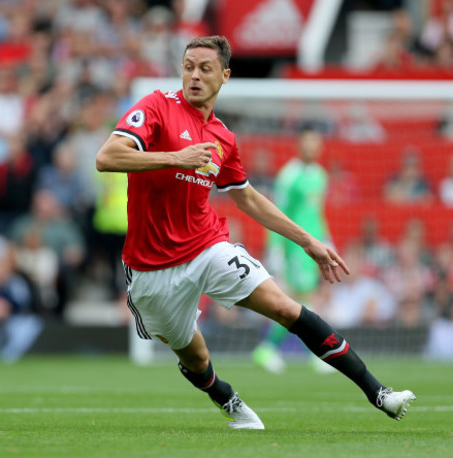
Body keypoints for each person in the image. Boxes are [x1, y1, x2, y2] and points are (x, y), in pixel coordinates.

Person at [95, 35, 415, 430]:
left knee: (285, 307)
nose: (194, 76)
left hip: (207, 246)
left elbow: (248, 198)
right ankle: (226, 398)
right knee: (194, 357)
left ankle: (380, 393)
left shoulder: (223, 138)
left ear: (224, 76)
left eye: (205, 68)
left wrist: (309, 241)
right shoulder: (157, 106)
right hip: (152, 267)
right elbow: (106, 157)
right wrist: (176, 157)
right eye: (188, 66)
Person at [252, 124, 333, 374]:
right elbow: (276, 214)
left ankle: (270, 349)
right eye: (307, 141)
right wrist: (275, 249)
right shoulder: (289, 176)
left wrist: (327, 239)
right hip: (296, 248)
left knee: (303, 300)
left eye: (315, 142)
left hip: (314, 247)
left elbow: (316, 213)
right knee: (304, 299)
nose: (311, 146)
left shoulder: (320, 175)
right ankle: (304, 352)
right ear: (299, 144)